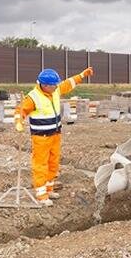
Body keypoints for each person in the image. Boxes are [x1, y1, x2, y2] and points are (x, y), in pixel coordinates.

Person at [14, 66, 93, 206]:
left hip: (55, 134)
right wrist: (18, 122)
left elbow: (68, 84)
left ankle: (49, 188)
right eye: (53, 85)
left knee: (53, 163)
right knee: (41, 164)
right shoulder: (33, 97)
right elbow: (21, 110)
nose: (56, 87)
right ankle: (41, 194)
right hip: (41, 137)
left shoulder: (55, 90)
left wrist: (82, 75)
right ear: (44, 85)